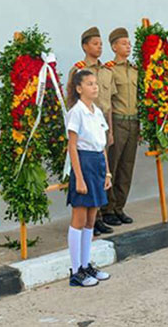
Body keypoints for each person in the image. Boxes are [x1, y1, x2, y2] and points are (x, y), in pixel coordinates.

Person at [65, 69, 113, 287]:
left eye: (96, 83)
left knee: (92, 217)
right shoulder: (76, 112)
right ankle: (75, 270)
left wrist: (107, 172)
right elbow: (72, 146)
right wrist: (79, 177)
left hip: (97, 163)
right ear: (79, 88)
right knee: (80, 217)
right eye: (90, 83)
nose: (95, 87)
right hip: (83, 163)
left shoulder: (97, 112)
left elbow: (102, 145)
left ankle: (86, 265)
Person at [68, 27, 116, 236]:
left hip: (99, 132)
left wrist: (110, 130)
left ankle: (107, 214)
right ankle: (78, 265)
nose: (99, 47)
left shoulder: (106, 71)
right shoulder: (78, 70)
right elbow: (71, 99)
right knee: (81, 214)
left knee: (95, 203)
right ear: (85, 46)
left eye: (101, 43)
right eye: (95, 43)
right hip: (83, 148)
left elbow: (109, 104)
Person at [100, 28, 139, 227]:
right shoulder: (109, 70)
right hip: (117, 121)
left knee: (127, 167)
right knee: (112, 166)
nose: (128, 46)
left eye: (129, 43)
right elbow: (108, 100)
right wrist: (109, 130)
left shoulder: (134, 69)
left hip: (133, 121)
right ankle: (107, 208)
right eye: (124, 43)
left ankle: (119, 207)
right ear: (114, 46)